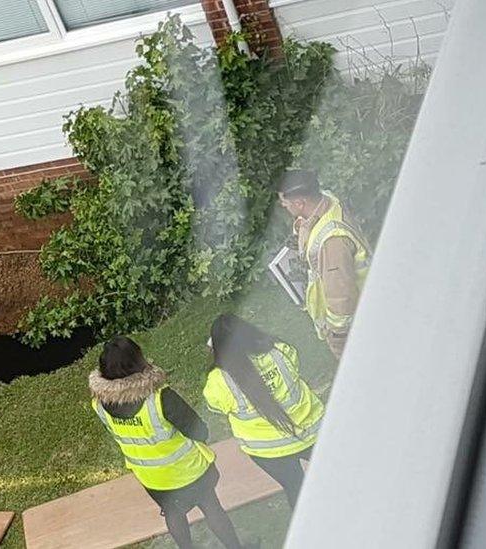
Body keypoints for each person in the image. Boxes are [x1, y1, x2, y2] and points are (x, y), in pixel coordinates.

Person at [90, 336, 248, 549]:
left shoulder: (99, 405)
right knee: (212, 508)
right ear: (138, 362)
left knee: (173, 514)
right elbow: (199, 431)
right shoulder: (161, 398)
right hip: (189, 473)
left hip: (151, 479)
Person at [204, 315, 325, 507]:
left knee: (295, 488)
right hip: (312, 432)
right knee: (335, 472)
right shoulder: (279, 351)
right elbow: (296, 366)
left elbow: (215, 404)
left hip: (268, 451)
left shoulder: (219, 380)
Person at [278, 169, 372, 359]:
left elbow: (341, 298)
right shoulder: (327, 201)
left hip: (356, 327)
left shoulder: (332, 243)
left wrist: (338, 336)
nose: (283, 206)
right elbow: (311, 222)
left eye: (285, 204)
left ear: (299, 203)